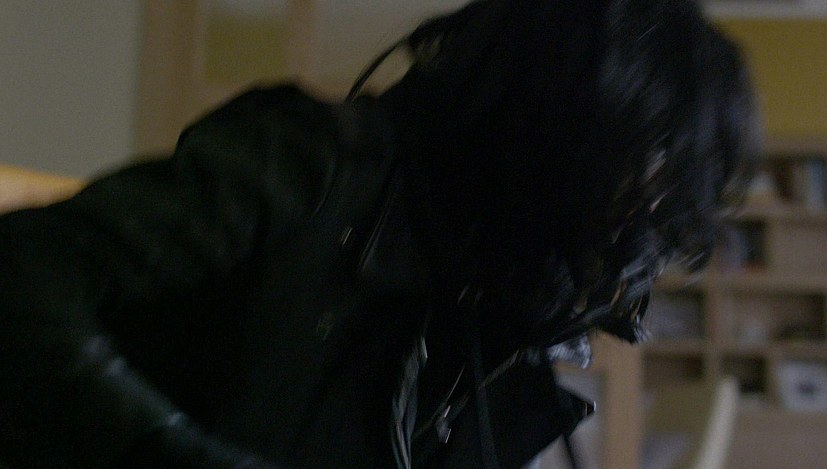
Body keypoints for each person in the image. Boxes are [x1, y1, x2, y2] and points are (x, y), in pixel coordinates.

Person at [0, 0, 759, 467]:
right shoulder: (310, 163)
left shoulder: (501, 332)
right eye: (626, 186)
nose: (628, 234)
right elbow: (21, 272)